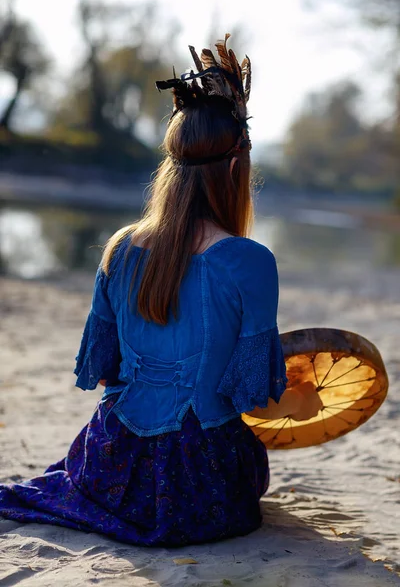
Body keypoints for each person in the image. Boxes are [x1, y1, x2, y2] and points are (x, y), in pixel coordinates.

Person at [0, 35, 322, 546]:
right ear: (238, 167)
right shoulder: (249, 261)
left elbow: (107, 370)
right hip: (201, 485)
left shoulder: (118, 247)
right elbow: (253, 398)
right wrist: (304, 401)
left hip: (109, 468)